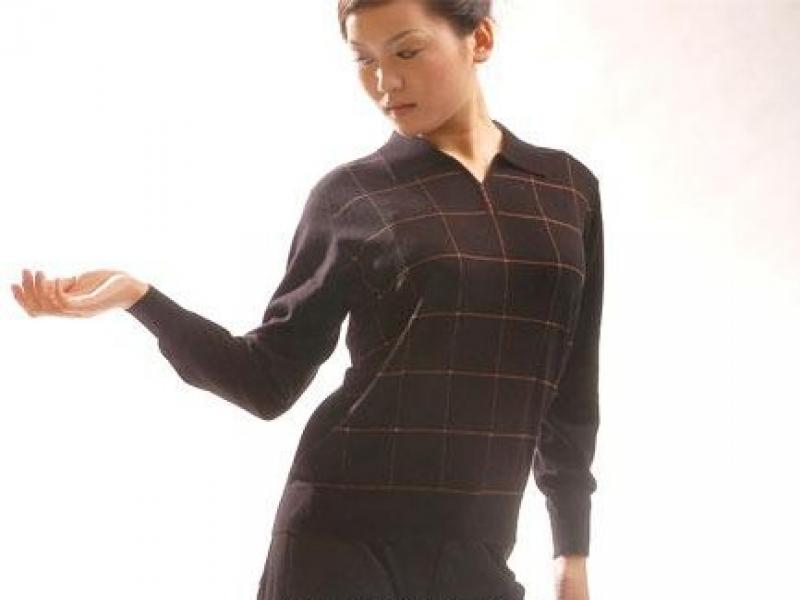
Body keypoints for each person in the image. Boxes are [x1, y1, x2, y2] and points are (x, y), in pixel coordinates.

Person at [11, 0, 604, 598]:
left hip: (475, 554)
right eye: (363, 59)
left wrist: (570, 555)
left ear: (480, 39)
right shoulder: (353, 196)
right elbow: (267, 380)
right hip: (339, 543)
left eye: (406, 51)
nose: (385, 81)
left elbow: (571, 390)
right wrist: (139, 298)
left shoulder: (566, 190)